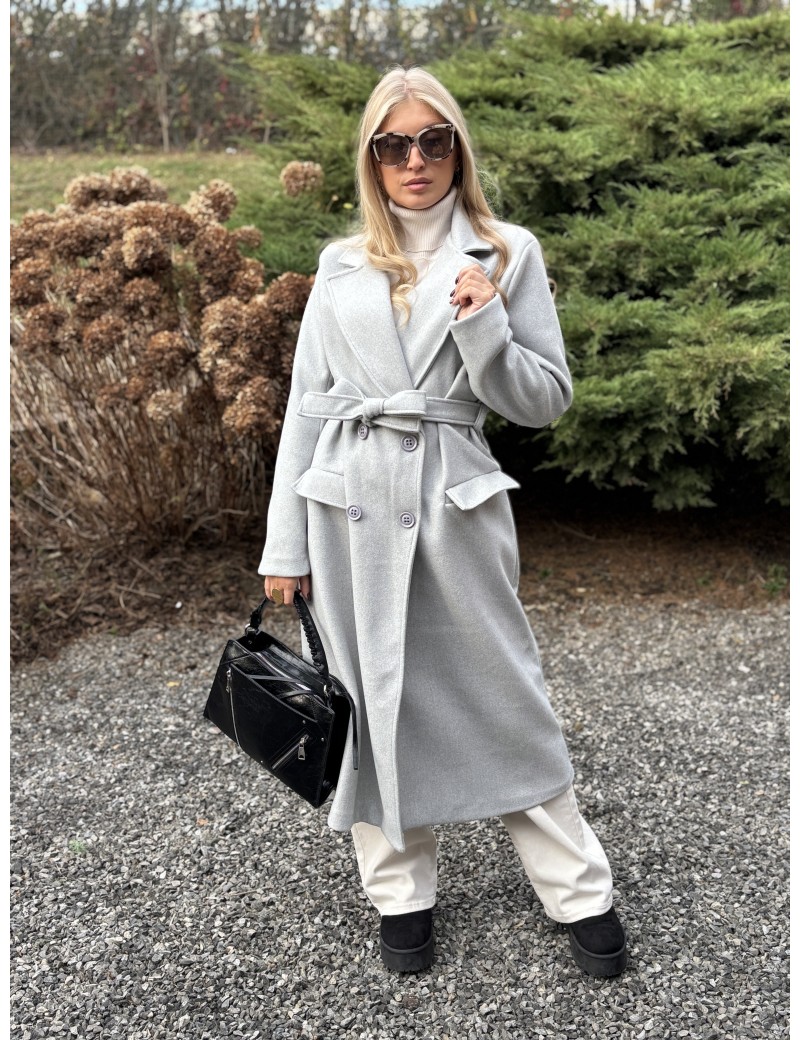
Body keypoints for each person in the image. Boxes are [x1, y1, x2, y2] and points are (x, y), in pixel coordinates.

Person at [259, 66, 627, 977]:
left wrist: (485, 326)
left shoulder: (506, 252)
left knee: (507, 698)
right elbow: (306, 405)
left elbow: (544, 400)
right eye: (393, 145)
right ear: (372, 159)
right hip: (345, 506)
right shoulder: (341, 262)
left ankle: (579, 891)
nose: (414, 160)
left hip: (451, 504)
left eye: (433, 140)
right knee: (366, 702)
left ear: (458, 148)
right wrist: (284, 544)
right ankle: (401, 896)